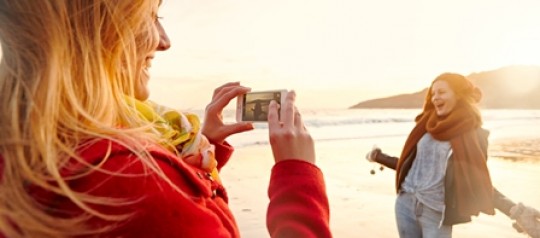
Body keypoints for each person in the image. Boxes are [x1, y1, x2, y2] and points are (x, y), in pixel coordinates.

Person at [0, 1, 331, 237]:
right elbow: (154, 208)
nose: (164, 41)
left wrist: (205, 150)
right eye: (150, 15)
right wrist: (297, 176)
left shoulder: (25, 147)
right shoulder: (134, 185)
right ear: (92, 27)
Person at [364, 73, 540, 237]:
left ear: (458, 95)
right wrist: (379, 156)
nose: (435, 98)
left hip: (436, 212)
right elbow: (409, 165)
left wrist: (516, 211)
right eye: (433, 94)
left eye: (441, 92)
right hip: (405, 204)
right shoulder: (425, 127)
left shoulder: (474, 135)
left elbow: (478, 181)